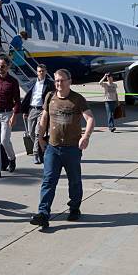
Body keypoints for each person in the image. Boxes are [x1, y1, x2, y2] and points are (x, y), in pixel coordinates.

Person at [30, 69, 95, 229]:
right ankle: (43, 214)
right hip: (53, 148)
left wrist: (85, 137)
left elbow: (90, 118)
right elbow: (44, 117)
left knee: (74, 181)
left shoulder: (77, 99)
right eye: (57, 81)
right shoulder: (50, 97)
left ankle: (74, 207)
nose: (59, 83)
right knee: (48, 181)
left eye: (62, 80)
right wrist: (39, 137)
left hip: (72, 148)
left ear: (69, 81)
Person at [0, 57, 20, 179]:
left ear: (8, 67)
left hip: (7, 114)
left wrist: (14, 115)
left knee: (4, 141)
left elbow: (17, 101)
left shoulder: (13, 82)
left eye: (2, 66)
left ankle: (11, 158)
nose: (0, 68)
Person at [21, 64, 54, 164]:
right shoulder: (32, 83)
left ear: (46, 71)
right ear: (37, 72)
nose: (41, 73)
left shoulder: (49, 84)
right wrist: (25, 111)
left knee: (37, 132)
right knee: (31, 132)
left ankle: (36, 154)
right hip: (32, 109)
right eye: (39, 71)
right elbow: (27, 97)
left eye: (43, 71)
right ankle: (41, 150)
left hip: (42, 110)